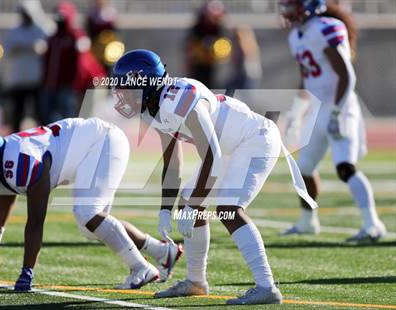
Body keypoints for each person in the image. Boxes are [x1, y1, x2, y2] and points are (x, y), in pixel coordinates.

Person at [111, 49, 317, 305]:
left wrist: (195, 204)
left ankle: (266, 286)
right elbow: (173, 160)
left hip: (255, 140)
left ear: (147, 83)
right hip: (228, 148)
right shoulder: (152, 106)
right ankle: (196, 282)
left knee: (228, 208)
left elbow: (213, 157)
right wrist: (166, 208)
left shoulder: (181, 98)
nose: (123, 96)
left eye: (127, 88)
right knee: (189, 201)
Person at [0, 118, 182, 290]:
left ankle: (141, 268)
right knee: (91, 227)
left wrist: (26, 273)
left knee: (87, 213)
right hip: (90, 148)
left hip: (102, 140)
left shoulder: (21, 161)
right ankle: (162, 252)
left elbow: (36, 221)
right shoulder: (3, 166)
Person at [279, 0, 386, 242]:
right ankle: (308, 222)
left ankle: (373, 224)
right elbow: (305, 77)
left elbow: (346, 75)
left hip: (340, 104)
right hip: (318, 109)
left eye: (291, 5)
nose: (286, 11)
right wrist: (296, 113)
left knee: (345, 167)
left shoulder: (325, 27)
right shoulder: (296, 35)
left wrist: (338, 111)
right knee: (303, 168)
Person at [2, 0, 48, 132]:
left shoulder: (41, 30)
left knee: (40, 113)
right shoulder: (14, 31)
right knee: (17, 114)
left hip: (36, 79)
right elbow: (8, 50)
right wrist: (29, 48)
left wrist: (22, 48)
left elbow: (44, 48)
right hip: (18, 80)